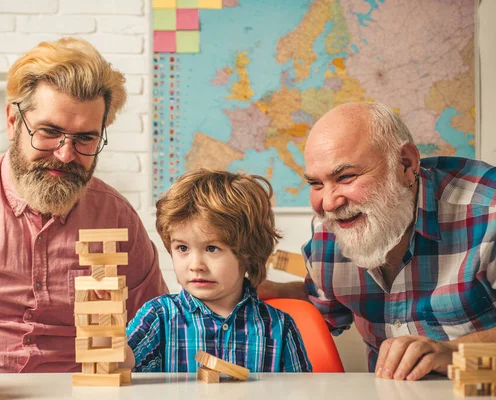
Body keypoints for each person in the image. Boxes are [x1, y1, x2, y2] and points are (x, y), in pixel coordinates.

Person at [0, 37, 168, 373]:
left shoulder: (116, 216)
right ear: (13, 121)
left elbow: (160, 326)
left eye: (85, 138)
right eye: (49, 131)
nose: (66, 154)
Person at [258, 102, 496, 381]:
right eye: (316, 184)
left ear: (405, 164)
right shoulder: (329, 232)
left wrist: (454, 354)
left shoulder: (488, 210)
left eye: (345, 177)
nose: (330, 203)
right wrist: (265, 288)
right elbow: (322, 305)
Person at [123, 169, 311, 372]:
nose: (196, 265)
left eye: (212, 248)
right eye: (183, 248)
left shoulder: (280, 327)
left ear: (247, 253)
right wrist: (102, 320)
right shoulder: (159, 316)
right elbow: (120, 364)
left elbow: (301, 391)